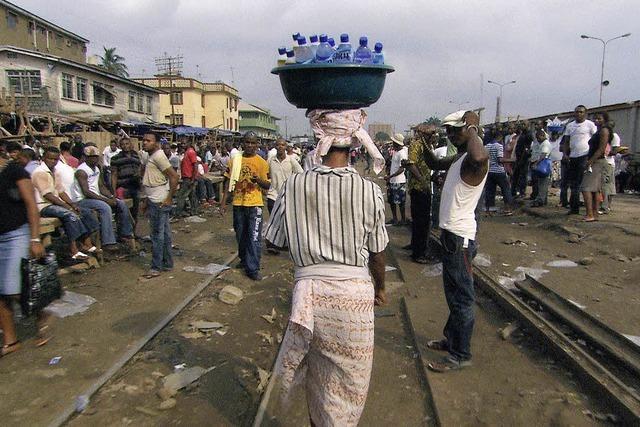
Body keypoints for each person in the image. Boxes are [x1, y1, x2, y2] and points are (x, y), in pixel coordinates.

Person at [264, 131, 387, 427]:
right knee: (349, 385)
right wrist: (381, 288)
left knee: (316, 379)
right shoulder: (368, 190)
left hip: (309, 296)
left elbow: (275, 242)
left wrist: (308, 233)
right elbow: (377, 251)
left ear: (320, 145)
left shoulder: (294, 184)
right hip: (353, 299)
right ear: (353, 147)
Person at [420, 110, 489, 372]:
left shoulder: (476, 161)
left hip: (459, 237)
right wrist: (424, 142)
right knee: (454, 293)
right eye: (447, 131)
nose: (450, 135)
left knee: (462, 297)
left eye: (455, 130)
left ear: (469, 131)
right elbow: (434, 163)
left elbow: (480, 154)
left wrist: (472, 128)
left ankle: (461, 354)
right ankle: (452, 340)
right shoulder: (460, 158)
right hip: (451, 235)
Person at [0, 141, 50, 357]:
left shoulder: (14, 171)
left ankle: (41, 316)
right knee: (2, 292)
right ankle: (11, 340)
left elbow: (31, 204)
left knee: (17, 287)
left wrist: (35, 238)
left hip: (17, 234)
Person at [32, 146, 98, 260]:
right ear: (43, 158)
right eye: (50, 159)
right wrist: (66, 206)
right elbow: (48, 195)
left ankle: (87, 243)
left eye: (55, 159)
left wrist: (72, 204)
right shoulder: (39, 172)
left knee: (85, 212)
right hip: (43, 206)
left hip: (54, 203)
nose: (53, 161)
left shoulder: (55, 171)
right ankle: (74, 249)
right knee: (70, 215)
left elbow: (61, 192)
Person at [221, 132, 270, 280]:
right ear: (243, 143)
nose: (250, 145)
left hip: (255, 205)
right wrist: (223, 203)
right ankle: (244, 260)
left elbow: (268, 184)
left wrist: (258, 180)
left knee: (254, 237)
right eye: (247, 142)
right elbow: (228, 183)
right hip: (238, 204)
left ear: (257, 144)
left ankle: (253, 268)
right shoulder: (235, 161)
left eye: (253, 143)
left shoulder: (262, 163)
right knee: (241, 236)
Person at [71, 146, 134, 248]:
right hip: (83, 200)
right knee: (105, 207)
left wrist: (111, 196)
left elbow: (101, 186)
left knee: (121, 203)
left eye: (96, 157)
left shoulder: (96, 168)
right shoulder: (81, 171)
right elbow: (86, 192)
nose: (95, 159)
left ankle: (125, 233)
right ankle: (108, 241)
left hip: (95, 197)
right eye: (92, 157)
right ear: (86, 157)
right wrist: (106, 200)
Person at [140, 133, 179, 279]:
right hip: (155, 198)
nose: (144, 143)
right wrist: (146, 201)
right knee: (165, 234)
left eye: (148, 141)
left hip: (159, 200)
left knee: (157, 235)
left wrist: (169, 198)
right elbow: (150, 180)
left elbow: (174, 177)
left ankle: (156, 267)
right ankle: (167, 263)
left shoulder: (158, 156)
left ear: (156, 143)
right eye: (144, 140)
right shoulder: (151, 156)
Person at [405, 127, 434, 263]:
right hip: (420, 188)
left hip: (422, 186)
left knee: (419, 220)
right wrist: (423, 181)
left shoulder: (426, 146)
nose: (433, 136)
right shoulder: (417, 145)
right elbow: (411, 164)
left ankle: (416, 247)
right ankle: (419, 253)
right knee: (422, 222)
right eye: (430, 134)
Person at [562, 105, 597, 215]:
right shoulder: (570, 126)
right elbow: (566, 141)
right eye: (577, 112)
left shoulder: (590, 125)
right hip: (573, 156)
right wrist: (565, 154)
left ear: (585, 113)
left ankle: (591, 209)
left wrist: (591, 156)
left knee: (583, 183)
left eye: (581, 112)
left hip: (584, 156)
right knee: (573, 184)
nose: (578, 114)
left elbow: (595, 139)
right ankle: (574, 208)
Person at [580, 112, 612, 222]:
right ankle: (594, 214)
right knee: (594, 189)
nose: (596, 120)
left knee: (586, 188)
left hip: (597, 162)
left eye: (599, 118)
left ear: (605, 120)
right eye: (595, 118)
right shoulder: (599, 131)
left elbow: (601, 148)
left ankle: (590, 214)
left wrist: (590, 161)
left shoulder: (604, 131)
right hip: (595, 161)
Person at [110, 138, 142, 231]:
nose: (125, 146)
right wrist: (113, 191)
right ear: (120, 146)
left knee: (135, 212)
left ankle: (133, 233)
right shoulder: (115, 158)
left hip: (135, 187)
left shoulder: (136, 156)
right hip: (123, 188)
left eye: (127, 144)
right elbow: (114, 175)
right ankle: (123, 234)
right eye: (123, 144)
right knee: (123, 212)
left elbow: (139, 169)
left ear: (131, 144)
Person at [484, 129, 514, 214]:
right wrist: (511, 160)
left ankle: (489, 209)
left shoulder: (486, 146)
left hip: (489, 171)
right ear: (500, 137)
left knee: (490, 190)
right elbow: (500, 159)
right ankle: (508, 208)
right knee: (506, 189)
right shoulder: (499, 146)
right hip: (499, 171)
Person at [384, 133, 408, 226]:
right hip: (392, 180)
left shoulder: (402, 153)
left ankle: (403, 220)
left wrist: (391, 176)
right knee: (392, 201)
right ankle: (395, 219)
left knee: (401, 202)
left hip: (399, 181)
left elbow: (402, 168)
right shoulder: (396, 152)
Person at [175, 141, 198, 217]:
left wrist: (193, 179)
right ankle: (194, 210)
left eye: (184, 143)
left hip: (189, 177)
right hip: (187, 177)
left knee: (181, 195)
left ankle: (179, 212)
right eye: (182, 144)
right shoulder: (186, 152)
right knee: (192, 195)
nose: (183, 145)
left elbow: (195, 166)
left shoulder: (191, 152)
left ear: (189, 143)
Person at [601, 124, 620, 213]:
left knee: (607, 186)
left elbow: (615, 151)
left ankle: (605, 206)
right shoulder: (600, 135)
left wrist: (604, 152)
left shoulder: (614, 136)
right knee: (606, 186)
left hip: (608, 163)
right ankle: (606, 205)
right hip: (602, 163)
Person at [530, 129, 552, 207]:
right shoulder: (542, 143)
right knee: (542, 183)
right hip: (543, 165)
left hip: (544, 165)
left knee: (543, 183)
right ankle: (543, 200)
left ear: (542, 136)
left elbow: (543, 155)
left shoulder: (545, 144)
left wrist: (536, 163)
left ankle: (540, 200)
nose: (538, 140)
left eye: (538, 138)